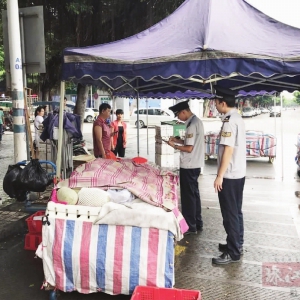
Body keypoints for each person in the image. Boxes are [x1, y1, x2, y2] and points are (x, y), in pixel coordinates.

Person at [212, 86, 246, 265]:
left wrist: (219, 175)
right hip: (238, 173)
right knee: (236, 211)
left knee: (230, 213)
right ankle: (236, 244)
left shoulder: (229, 121)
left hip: (230, 175)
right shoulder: (236, 117)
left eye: (216, 103)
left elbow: (228, 149)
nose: (215, 106)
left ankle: (233, 253)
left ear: (223, 103)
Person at [167, 100, 205, 235]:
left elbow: (189, 148)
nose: (178, 118)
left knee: (188, 197)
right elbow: (189, 143)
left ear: (184, 112)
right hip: (195, 164)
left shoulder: (191, 125)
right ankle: (197, 222)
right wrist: (177, 140)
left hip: (189, 165)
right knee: (194, 194)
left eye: (178, 115)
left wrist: (174, 146)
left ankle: (190, 226)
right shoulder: (196, 122)